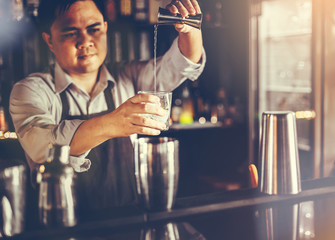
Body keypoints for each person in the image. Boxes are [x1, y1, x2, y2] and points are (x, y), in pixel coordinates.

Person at [9, 0, 205, 215]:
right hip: (63, 226)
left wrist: (189, 31)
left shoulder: (128, 77)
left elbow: (181, 65)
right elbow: (44, 148)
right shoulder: (31, 90)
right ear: (49, 41)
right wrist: (112, 123)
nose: (85, 41)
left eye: (94, 29)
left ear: (105, 28)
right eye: (70, 33)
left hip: (129, 221)